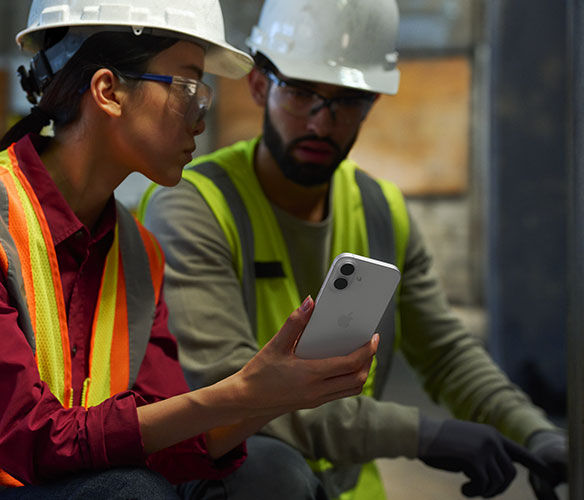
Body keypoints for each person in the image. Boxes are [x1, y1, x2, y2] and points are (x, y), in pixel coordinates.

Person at [0, 1, 380, 498]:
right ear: (108, 91)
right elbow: (32, 441)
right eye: (187, 89)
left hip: (44, 490)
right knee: (130, 493)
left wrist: (271, 397)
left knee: (271, 471)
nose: (201, 120)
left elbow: (165, 442)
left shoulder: (136, 253)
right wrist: (239, 392)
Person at [140, 0, 569, 498]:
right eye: (301, 94)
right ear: (259, 84)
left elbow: (447, 353)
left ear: (371, 102)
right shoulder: (194, 206)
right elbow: (235, 394)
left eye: (347, 100)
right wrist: (422, 434)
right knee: (269, 472)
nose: (321, 123)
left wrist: (535, 431)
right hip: (235, 477)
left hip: (345, 484)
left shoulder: (380, 210)